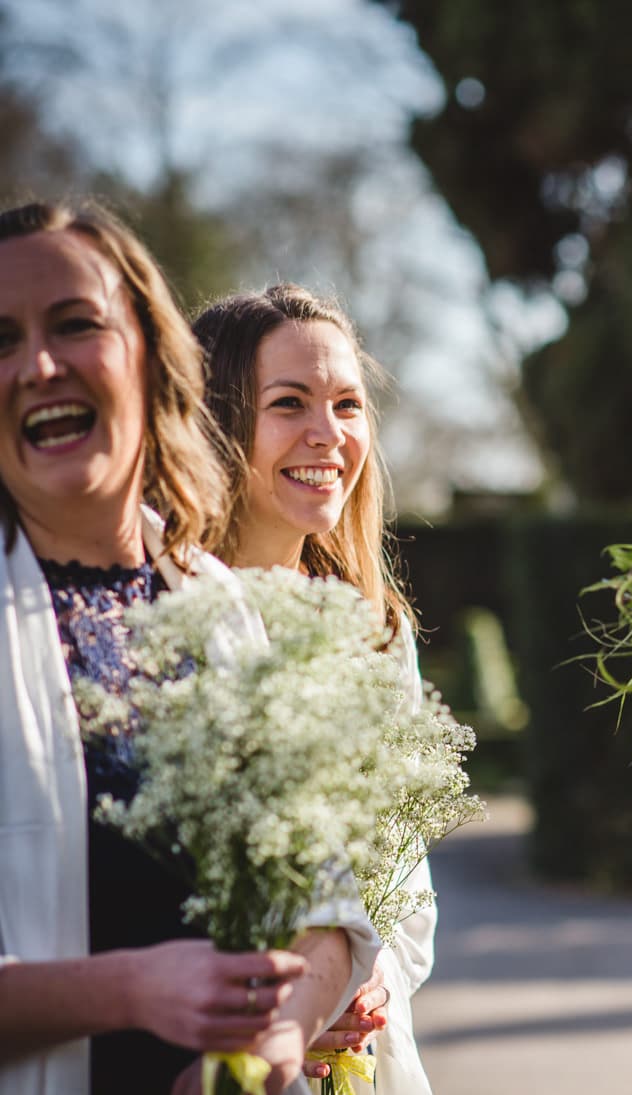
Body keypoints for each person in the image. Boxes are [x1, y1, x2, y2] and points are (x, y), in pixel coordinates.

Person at [0, 200, 377, 1095]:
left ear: (151, 354)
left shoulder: (215, 605)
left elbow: (328, 904)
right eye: (0, 339)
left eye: (75, 323)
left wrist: (277, 1033)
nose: (39, 364)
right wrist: (132, 988)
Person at [193, 285, 436, 1095]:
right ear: (215, 422)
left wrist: (372, 982)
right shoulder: (160, 620)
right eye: (288, 403)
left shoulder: (379, 634)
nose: (327, 435)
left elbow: (408, 890)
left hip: (366, 1060)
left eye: (347, 404)